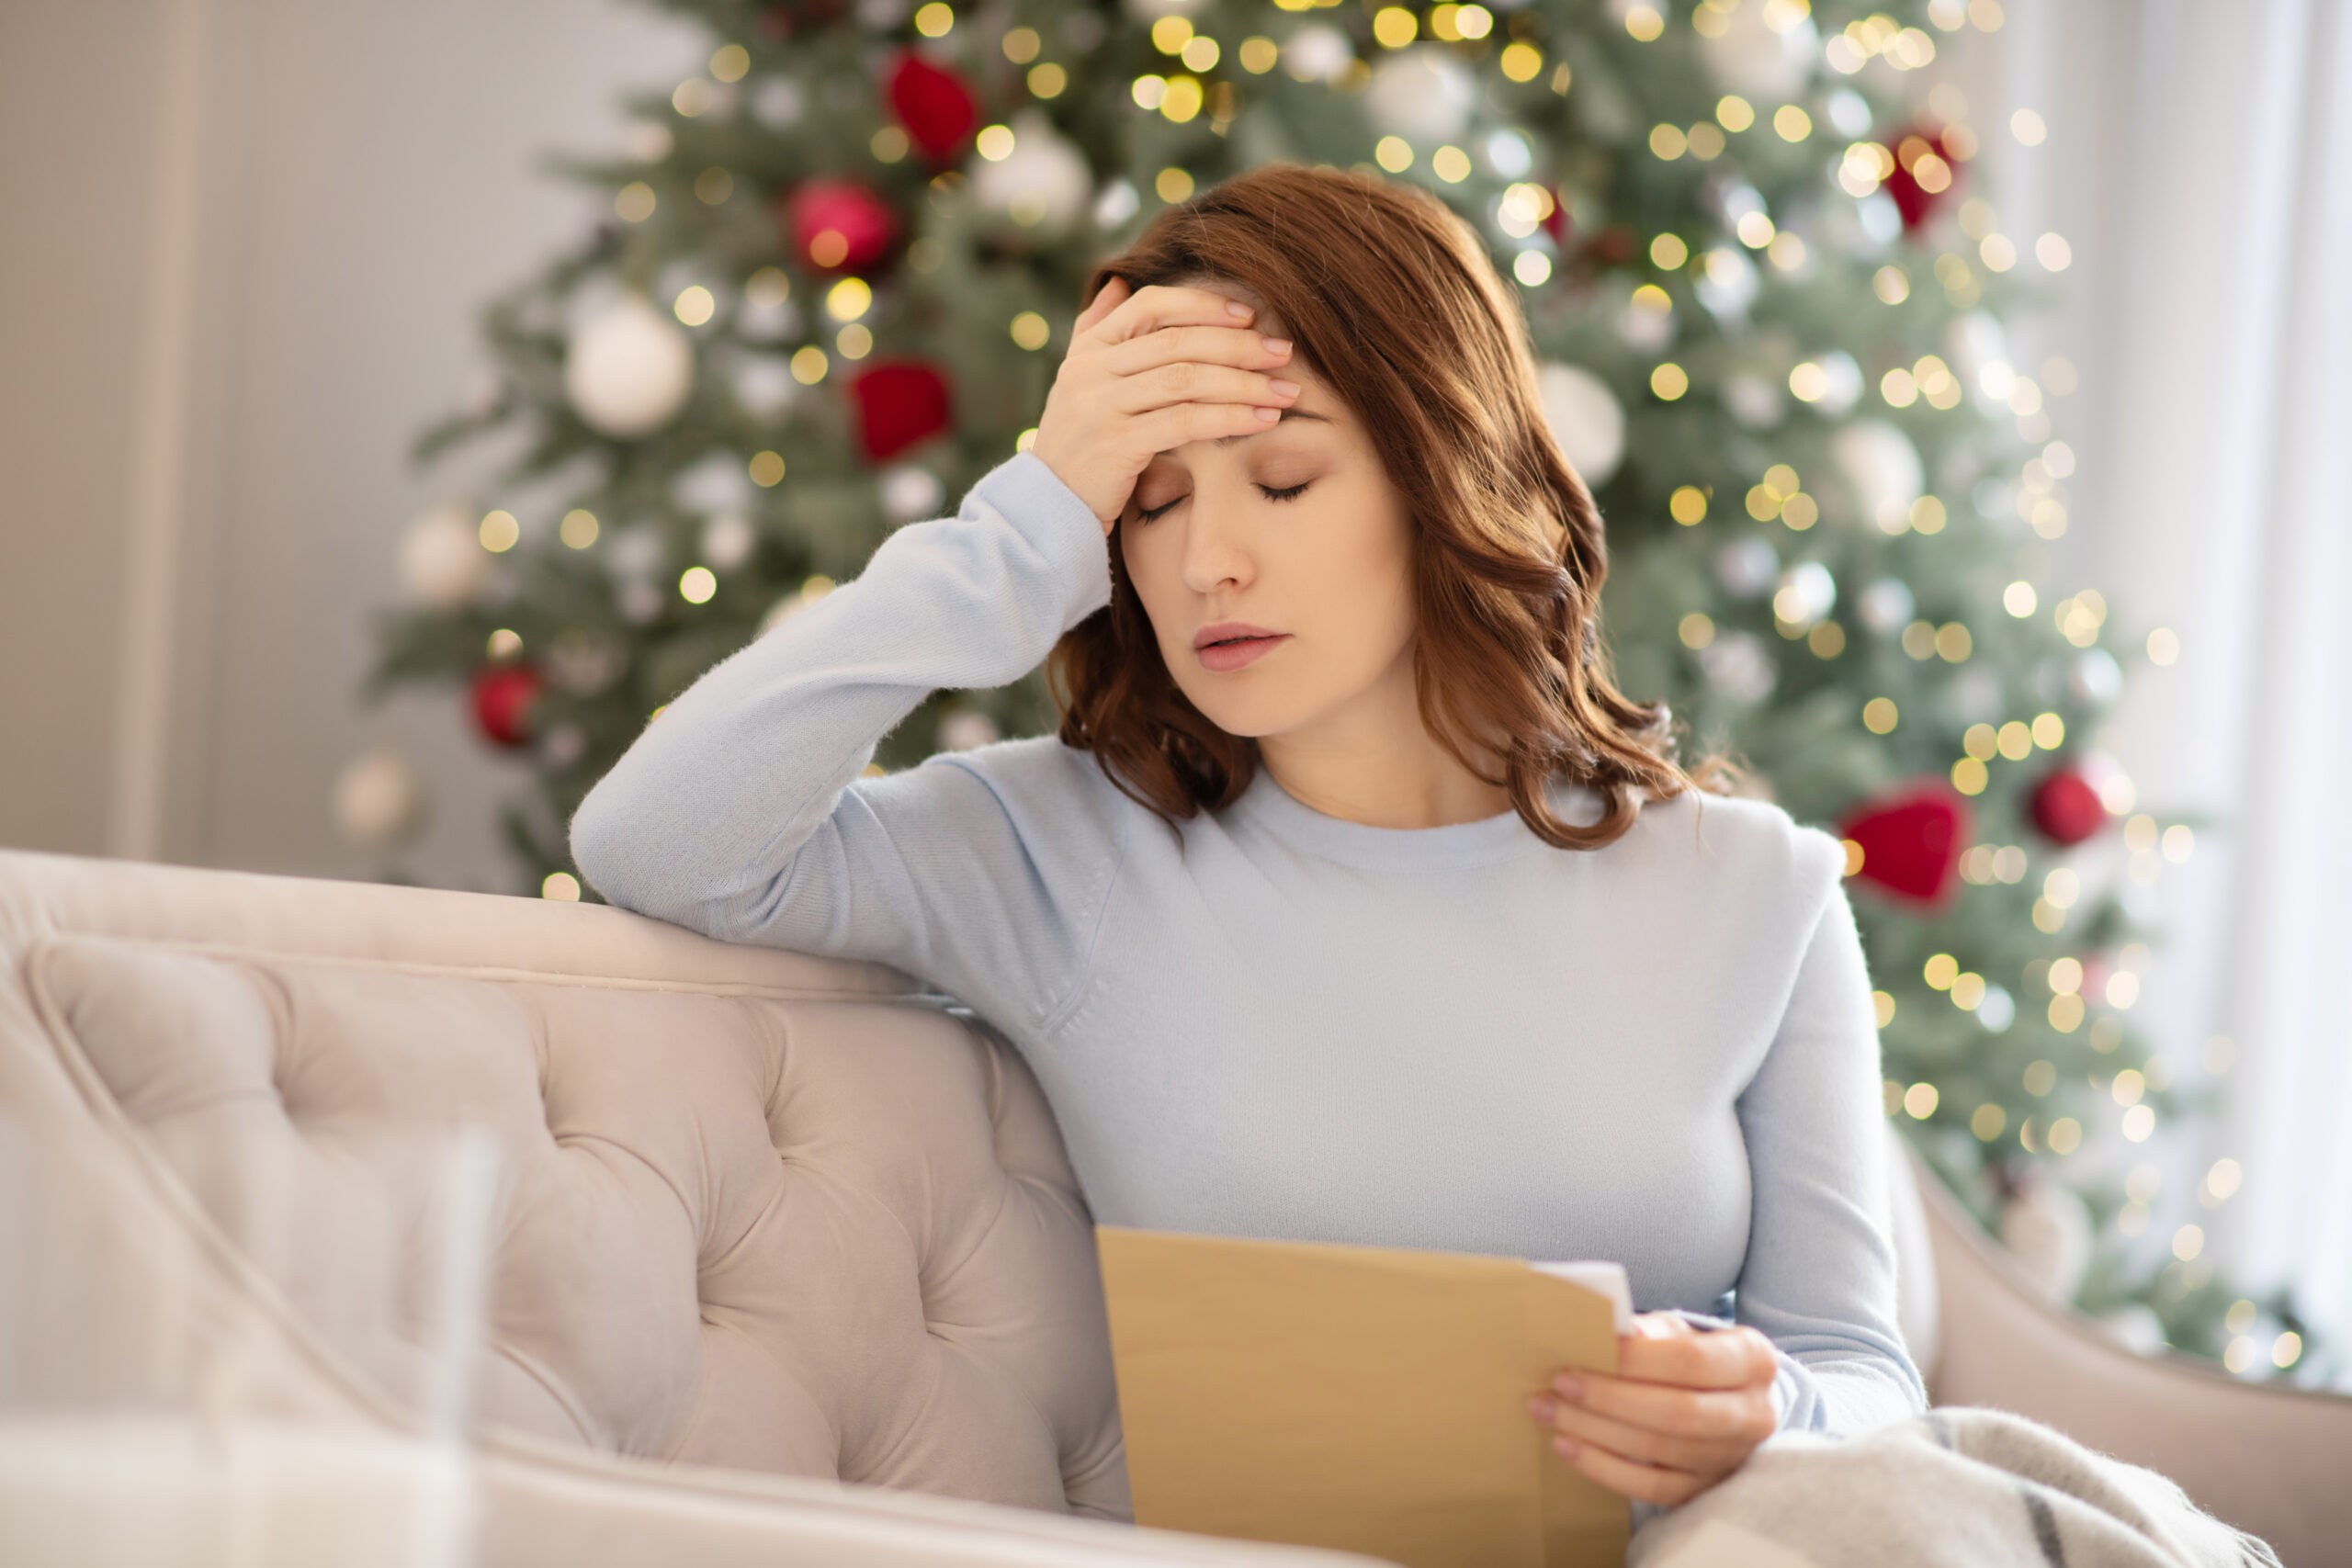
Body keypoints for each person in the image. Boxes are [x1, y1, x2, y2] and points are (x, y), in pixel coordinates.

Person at [570, 162, 1926, 1524]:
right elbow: (660, 841)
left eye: (1281, 481)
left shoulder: (1758, 893)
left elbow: (1862, 1374)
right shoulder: (1069, 851)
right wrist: (1027, 523)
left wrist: (1766, 1412)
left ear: (1442, 475)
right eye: (1152, 502)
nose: (1207, 560)